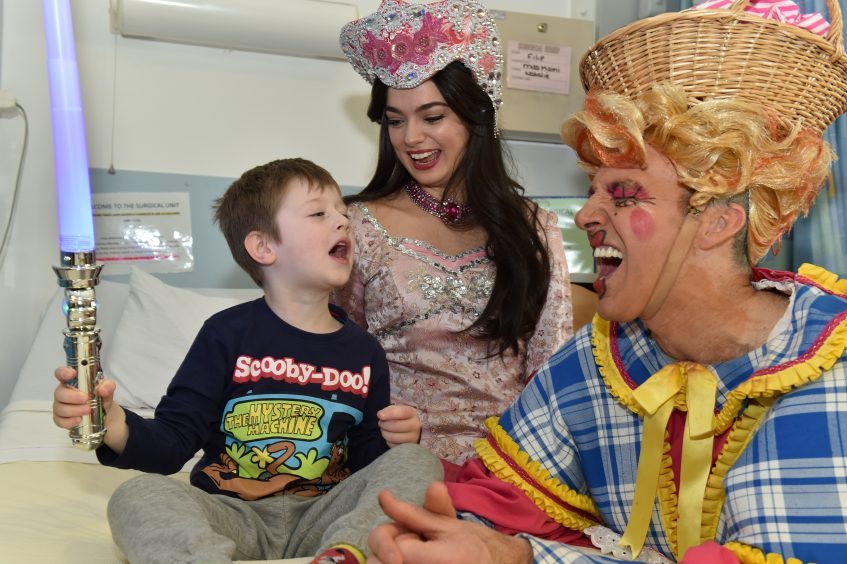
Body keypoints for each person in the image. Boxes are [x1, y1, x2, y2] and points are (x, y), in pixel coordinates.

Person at [365, 3, 847, 563]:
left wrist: (521, 560)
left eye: (621, 194)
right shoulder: (597, 368)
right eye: (593, 188)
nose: (587, 215)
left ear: (718, 222)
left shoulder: (826, 373)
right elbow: (497, 504)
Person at [52, 158, 443, 564]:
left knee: (417, 462)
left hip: (324, 519)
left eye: (343, 213)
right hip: (233, 514)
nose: (344, 222)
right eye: (318, 213)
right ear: (263, 247)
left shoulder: (365, 352)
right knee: (136, 494)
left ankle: (346, 556)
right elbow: (172, 443)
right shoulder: (225, 334)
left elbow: (367, 467)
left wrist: (397, 442)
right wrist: (112, 419)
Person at [336, 0, 574, 463]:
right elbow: (335, 362)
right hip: (396, 464)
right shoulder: (359, 226)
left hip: (511, 467)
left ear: (475, 116)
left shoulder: (533, 229)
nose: (411, 139)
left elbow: (551, 371)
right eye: (396, 120)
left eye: (432, 116)